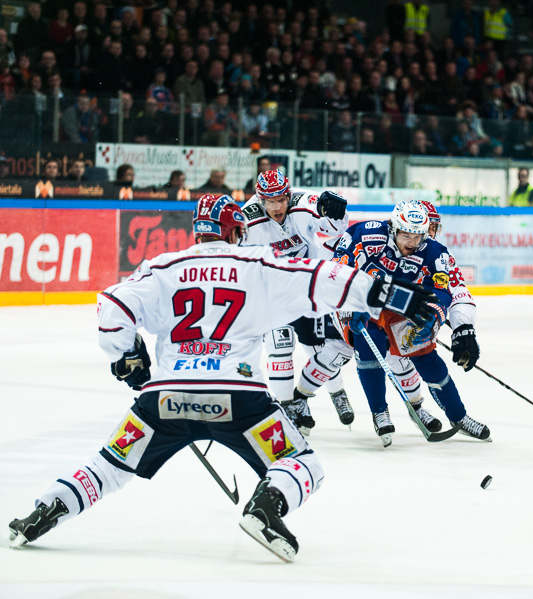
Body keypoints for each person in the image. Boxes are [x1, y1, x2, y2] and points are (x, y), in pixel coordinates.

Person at [7, 194, 438, 562]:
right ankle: (267, 506)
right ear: (237, 231)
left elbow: (112, 310)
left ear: (198, 231)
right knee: (304, 462)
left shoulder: (163, 267)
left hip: (165, 399)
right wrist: (397, 296)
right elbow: (324, 278)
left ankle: (45, 510)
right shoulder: (256, 264)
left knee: (111, 465)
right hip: (237, 400)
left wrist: (129, 357)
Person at [332, 201, 490, 446]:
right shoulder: (365, 234)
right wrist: (349, 301)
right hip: (362, 300)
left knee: (428, 360)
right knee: (368, 342)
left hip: (401, 304)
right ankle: (379, 412)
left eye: (418, 236)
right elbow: (336, 270)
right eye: (406, 235)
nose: (411, 243)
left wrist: (435, 316)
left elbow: (443, 291)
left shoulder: (434, 251)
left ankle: (459, 417)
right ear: (392, 228)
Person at [240, 170, 352, 433]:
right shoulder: (246, 220)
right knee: (280, 349)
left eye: (282, 199)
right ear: (259, 200)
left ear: (289, 195)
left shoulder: (305, 203)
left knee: (319, 348)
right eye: (270, 201)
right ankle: (287, 406)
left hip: (307, 290)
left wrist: (336, 211)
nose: (278, 206)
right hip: (271, 295)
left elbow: (337, 228)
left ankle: (338, 393)